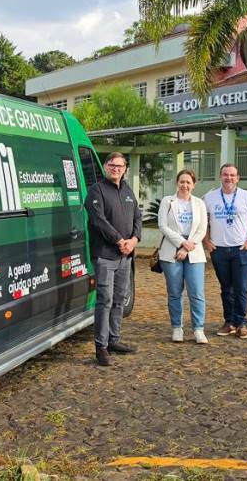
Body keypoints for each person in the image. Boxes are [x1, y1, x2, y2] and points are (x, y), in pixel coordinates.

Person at [86, 152, 141, 366]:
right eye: (112, 165)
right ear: (106, 167)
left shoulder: (128, 191)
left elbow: (137, 216)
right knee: (105, 300)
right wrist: (120, 240)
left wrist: (135, 239)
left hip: (125, 257)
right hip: (105, 256)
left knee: (119, 300)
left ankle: (114, 340)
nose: (116, 169)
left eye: (120, 165)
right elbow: (98, 221)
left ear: (125, 168)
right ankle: (101, 347)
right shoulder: (96, 191)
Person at [203, 163, 247, 340]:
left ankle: (241, 323)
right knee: (226, 288)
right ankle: (229, 321)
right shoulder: (210, 197)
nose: (228, 178)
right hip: (219, 250)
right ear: (220, 177)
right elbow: (202, 221)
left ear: (238, 178)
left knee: (241, 288)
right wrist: (206, 241)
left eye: (232, 175)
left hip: (241, 250)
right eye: (225, 175)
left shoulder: (246, 197)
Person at [157, 169, 209, 344]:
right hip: (171, 251)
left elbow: (202, 229)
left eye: (188, 182)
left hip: (194, 251)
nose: (185, 185)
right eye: (182, 182)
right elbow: (163, 226)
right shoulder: (167, 201)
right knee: (174, 293)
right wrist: (181, 243)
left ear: (193, 185)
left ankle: (198, 329)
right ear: (177, 183)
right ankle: (177, 328)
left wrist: (187, 247)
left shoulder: (199, 203)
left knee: (196, 293)